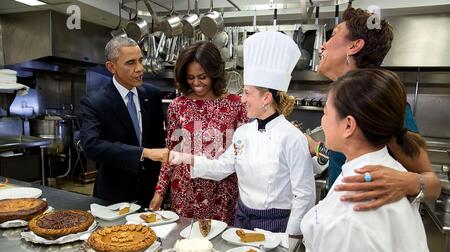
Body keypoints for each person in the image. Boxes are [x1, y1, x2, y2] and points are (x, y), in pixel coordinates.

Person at [301, 69, 431, 252]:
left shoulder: (355, 209)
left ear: (348, 125)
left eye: (325, 112)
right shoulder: (380, 169)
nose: (322, 120)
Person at [171, 32, 315, 235]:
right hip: (242, 218)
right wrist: (189, 159)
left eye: (246, 93)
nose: (241, 99)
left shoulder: (292, 138)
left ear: (266, 98)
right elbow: (223, 167)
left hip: (276, 225)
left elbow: (305, 194)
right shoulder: (242, 133)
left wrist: (289, 238)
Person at [307, 7, 441, 210]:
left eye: (332, 35)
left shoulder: (377, 101)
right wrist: (316, 147)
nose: (323, 45)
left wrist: (407, 182)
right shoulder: (341, 99)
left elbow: (433, 185)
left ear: (354, 46)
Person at [149, 41, 247, 225]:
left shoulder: (236, 105)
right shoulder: (178, 106)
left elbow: (242, 154)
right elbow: (171, 153)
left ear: (215, 73)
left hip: (223, 191)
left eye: (202, 77)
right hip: (185, 191)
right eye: (190, 77)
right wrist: (159, 193)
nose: (196, 83)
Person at [80, 36, 168, 207]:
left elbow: (158, 143)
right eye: (130, 63)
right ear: (111, 67)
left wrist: (161, 190)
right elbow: (92, 146)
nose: (140, 68)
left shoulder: (152, 95)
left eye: (140, 61)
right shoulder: (95, 102)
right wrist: (143, 153)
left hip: (149, 194)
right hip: (113, 196)